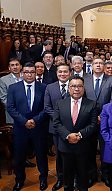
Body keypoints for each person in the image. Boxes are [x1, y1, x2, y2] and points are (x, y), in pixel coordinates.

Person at [7, 62, 48, 191]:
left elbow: (47, 108)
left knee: (41, 156)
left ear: (36, 73)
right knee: (19, 156)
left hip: (39, 128)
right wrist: (24, 121)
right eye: (27, 72)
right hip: (20, 128)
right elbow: (10, 107)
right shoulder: (13, 88)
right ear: (22, 73)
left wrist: (34, 120)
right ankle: (19, 180)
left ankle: (43, 179)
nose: (29, 74)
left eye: (32, 72)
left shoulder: (44, 87)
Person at [53, 75, 98, 191]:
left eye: (79, 86)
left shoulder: (92, 104)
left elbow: (93, 125)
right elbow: (56, 123)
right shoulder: (60, 103)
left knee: (83, 178)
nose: (76, 89)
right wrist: (68, 135)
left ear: (83, 88)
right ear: (69, 88)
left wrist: (79, 135)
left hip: (83, 146)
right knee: (67, 179)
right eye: (73, 86)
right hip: (65, 146)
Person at [83, 58, 112, 186]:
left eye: (100, 63)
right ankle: (92, 175)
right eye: (95, 63)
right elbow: (83, 99)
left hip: (105, 120)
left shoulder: (111, 80)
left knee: (105, 149)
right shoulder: (85, 79)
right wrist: (92, 116)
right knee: (89, 149)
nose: (98, 65)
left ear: (104, 66)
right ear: (91, 66)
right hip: (89, 120)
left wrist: (103, 115)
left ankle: (105, 174)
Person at [44, 63, 71, 191]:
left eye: (65, 72)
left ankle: (73, 178)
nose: (62, 74)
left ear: (70, 73)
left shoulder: (75, 86)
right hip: (55, 127)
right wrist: (58, 117)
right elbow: (47, 107)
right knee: (59, 154)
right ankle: (60, 179)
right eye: (60, 72)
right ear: (57, 73)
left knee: (73, 154)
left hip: (73, 127)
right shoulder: (50, 87)